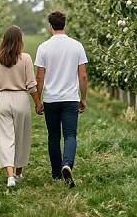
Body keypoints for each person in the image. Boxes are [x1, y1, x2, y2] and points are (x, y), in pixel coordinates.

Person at [34, 10, 88, 188]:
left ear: (50, 27)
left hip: (51, 99)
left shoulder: (43, 47)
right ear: (65, 24)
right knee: (70, 134)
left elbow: (40, 77)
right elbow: (83, 76)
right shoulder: (77, 46)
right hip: (71, 98)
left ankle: (56, 173)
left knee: (54, 136)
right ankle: (67, 164)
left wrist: (38, 100)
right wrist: (84, 98)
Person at [0, 25, 42, 187]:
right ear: (20, 41)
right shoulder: (25, 58)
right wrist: (38, 103)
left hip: (3, 98)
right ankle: (19, 173)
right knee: (21, 137)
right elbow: (32, 85)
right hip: (20, 99)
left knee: (5, 138)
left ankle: (10, 176)